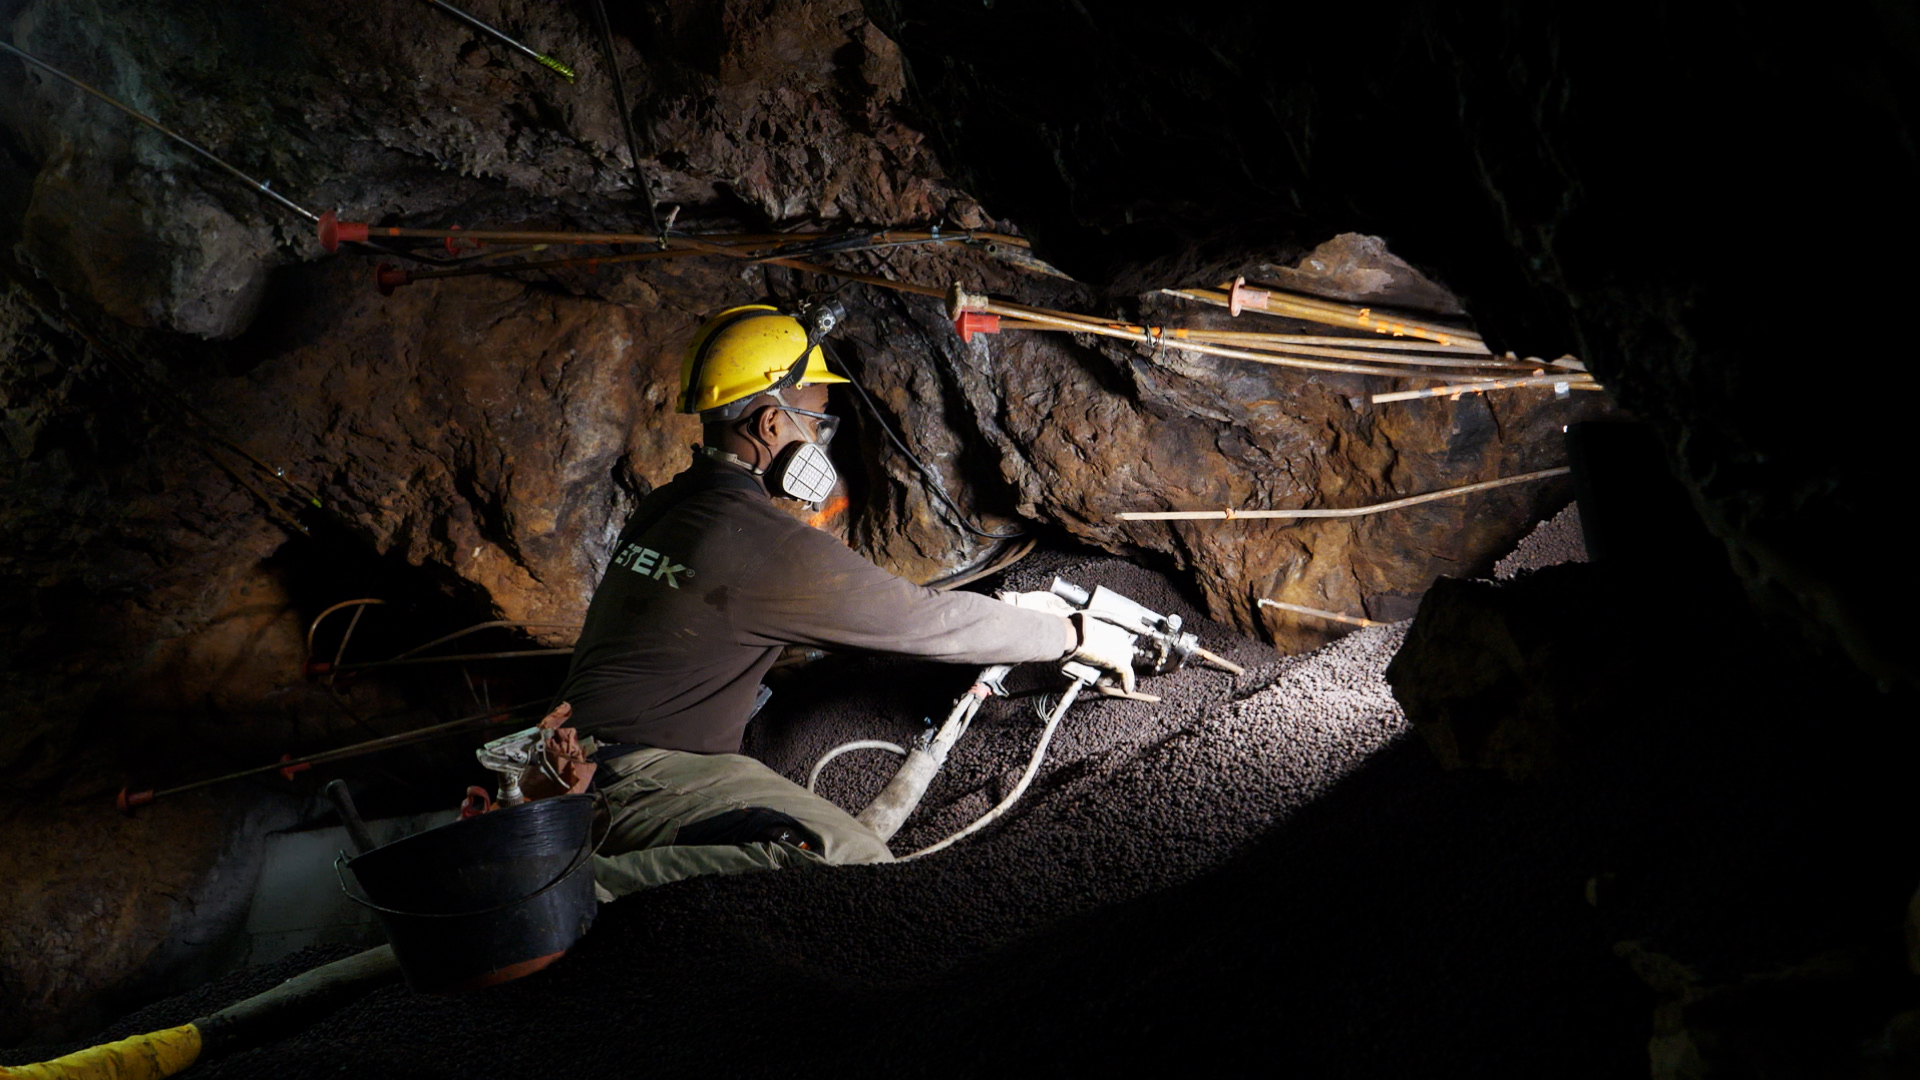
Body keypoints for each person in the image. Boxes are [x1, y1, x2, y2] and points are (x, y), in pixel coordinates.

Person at [548, 302, 1136, 898]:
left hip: (576, 760)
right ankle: (580, 890)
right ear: (770, 425)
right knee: (852, 863)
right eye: (817, 421)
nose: (821, 440)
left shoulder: (668, 506)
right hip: (637, 775)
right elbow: (926, 624)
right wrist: (1073, 635)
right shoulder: (758, 543)